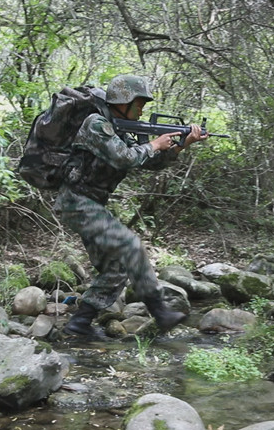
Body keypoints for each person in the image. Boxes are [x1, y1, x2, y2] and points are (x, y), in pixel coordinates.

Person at [56, 74, 207, 341]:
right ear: (122, 101)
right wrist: (154, 144)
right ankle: (160, 311)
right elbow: (124, 158)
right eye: (139, 104)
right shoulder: (96, 124)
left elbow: (147, 163)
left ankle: (79, 324)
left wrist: (179, 147)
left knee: (117, 268)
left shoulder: (120, 129)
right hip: (76, 202)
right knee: (131, 246)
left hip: (91, 204)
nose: (142, 110)